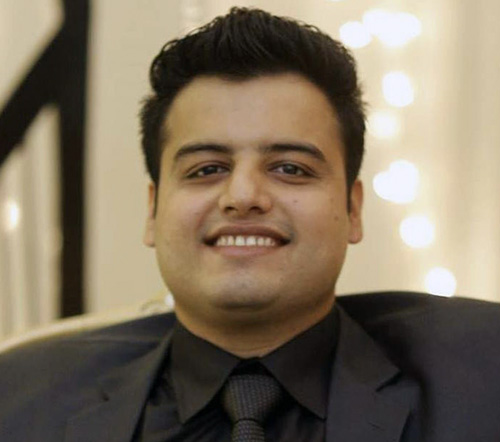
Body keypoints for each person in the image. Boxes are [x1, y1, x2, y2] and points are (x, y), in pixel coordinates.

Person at [1, 7, 500, 442]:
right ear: (152, 211)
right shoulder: (20, 401)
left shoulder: (482, 383)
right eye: (206, 169)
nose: (243, 197)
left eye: (290, 168)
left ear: (353, 209)